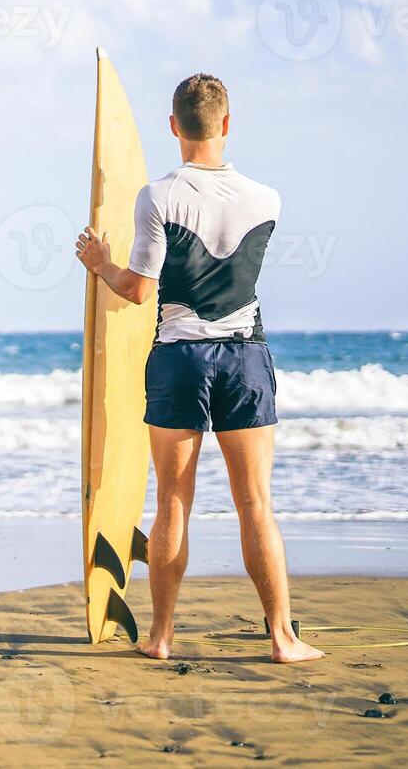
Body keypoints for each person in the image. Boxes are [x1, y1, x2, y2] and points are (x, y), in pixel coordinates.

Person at [75, 74, 323, 664]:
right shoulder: (268, 199)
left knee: (173, 502)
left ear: (173, 126)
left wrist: (100, 264)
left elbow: (138, 291)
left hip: (179, 359)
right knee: (255, 502)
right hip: (244, 357)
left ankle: (161, 637)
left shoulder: (157, 197)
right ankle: (283, 639)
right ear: (227, 124)